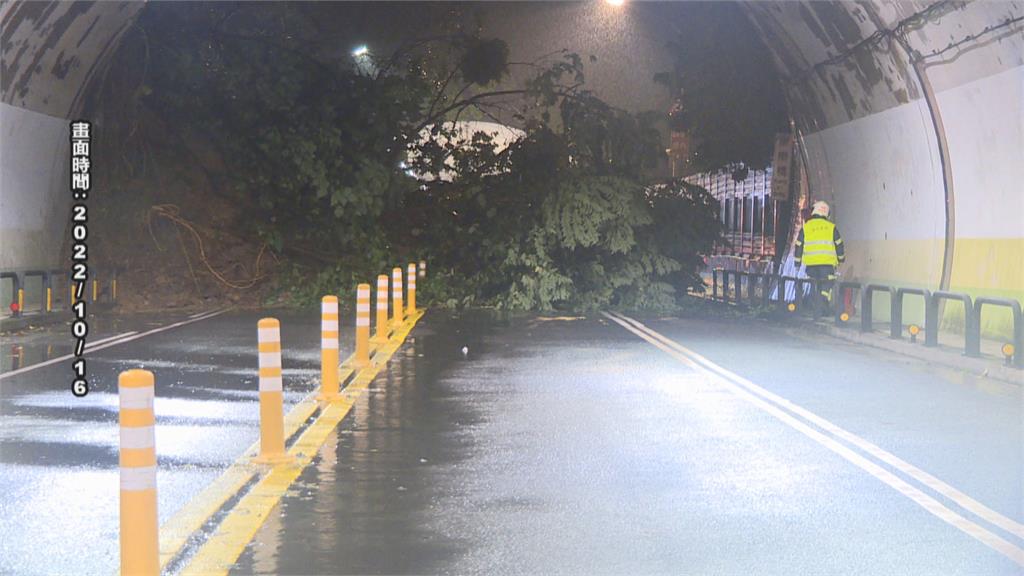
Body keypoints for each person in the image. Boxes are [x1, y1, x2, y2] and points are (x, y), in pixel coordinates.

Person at [794, 200, 845, 314]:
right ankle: (822, 305)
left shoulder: (806, 227)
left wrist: (797, 263)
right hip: (827, 265)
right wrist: (841, 259)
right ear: (827, 213)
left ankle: (813, 307)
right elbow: (839, 244)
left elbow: (798, 246)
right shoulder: (831, 227)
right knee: (827, 284)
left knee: (814, 284)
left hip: (811, 265)